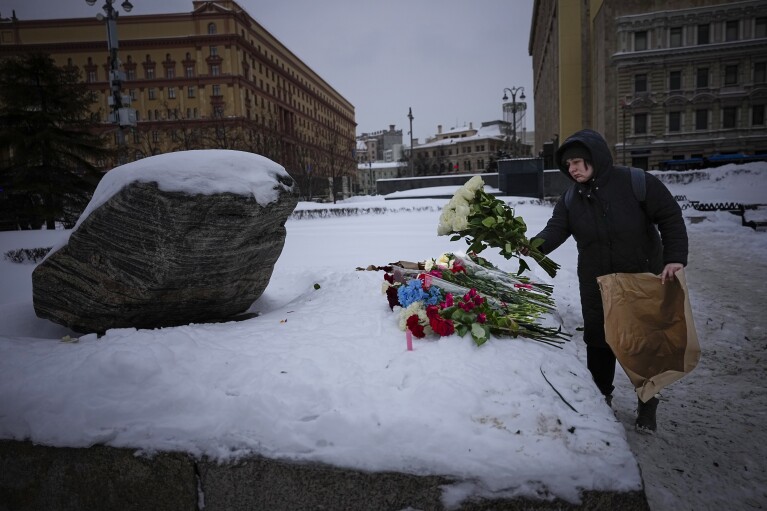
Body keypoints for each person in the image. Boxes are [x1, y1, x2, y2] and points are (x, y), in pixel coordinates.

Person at [528, 129, 688, 432]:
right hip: (596, 281)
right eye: (569, 164)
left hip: (640, 278)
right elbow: (555, 230)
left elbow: (669, 215)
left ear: (596, 158)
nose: (573, 168)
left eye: (578, 161)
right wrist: (528, 246)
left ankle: (647, 402)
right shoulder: (570, 199)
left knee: (642, 343)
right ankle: (601, 397)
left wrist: (675, 257)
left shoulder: (635, 182)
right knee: (599, 341)